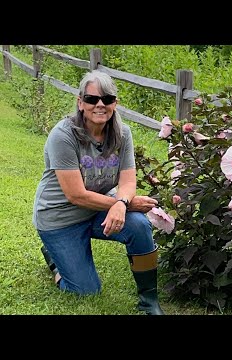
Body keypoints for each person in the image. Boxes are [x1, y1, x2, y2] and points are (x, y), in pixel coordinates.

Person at [32, 70, 165, 315]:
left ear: (115, 103)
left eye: (107, 99)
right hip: (59, 220)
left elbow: (127, 182)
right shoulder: (63, 135)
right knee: (85, 291)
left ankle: (149, 300)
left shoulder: (123, 134)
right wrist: (124, 203)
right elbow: (76, 195)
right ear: (80, 102)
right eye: (92, 99)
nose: (100, 105)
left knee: (139, 225)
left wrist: (122, 203)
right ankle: (54, 257)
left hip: (95, 213)